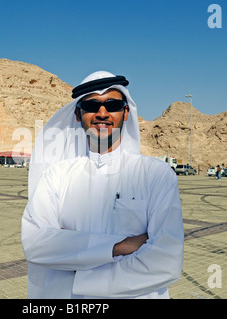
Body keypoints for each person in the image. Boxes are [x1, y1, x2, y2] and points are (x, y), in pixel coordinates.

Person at [21, 71, 184, 299]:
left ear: (125, 113)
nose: (102, 113)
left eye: (113, 104)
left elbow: (165, 261)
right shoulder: (57, 175)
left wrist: (75, 266)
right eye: (91, 106)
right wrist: (120, 246)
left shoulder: (156, 175)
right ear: (78, 115)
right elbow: (36, 244)